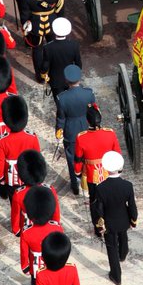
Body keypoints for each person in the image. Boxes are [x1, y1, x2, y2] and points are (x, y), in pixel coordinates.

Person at [92, 152, 138, 285]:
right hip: (123, 219)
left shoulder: (100, 188)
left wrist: (99, 224)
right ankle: (123, 255)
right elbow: (132, 206)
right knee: (123, 237)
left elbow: (98, 209)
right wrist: (133, 219)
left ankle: (116, 276)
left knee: (111, 248)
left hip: (109, 221)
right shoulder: (128, 185)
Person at [55, 65, 97, 194]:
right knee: (90, 157)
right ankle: (92, 182)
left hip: (71, 133)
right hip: (88, 128)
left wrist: (58, 131)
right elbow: (94, 112)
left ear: (66, 81)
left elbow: (61, 118)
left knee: (72, 160)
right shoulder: (88, 93)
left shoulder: (61, 98)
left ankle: (75, 186)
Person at [74, 106, 122, 208]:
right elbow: (117, 153)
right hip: (109, 172)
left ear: (88, 121)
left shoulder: (81, 137)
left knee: (94, 199)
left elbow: (78, 159)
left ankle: (98, 220)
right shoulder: (110, 133)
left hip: (92, 174)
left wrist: (78, 172)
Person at [19, 186, 62, 285]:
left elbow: (24, 252)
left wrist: (25, 267)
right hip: (53, 264)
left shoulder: (26, 232)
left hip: (35, 268)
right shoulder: (57, 228)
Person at [36, 17, 82, 100]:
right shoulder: (74, 45)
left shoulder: (48, 47)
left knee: (59, 103)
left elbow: (46, 65)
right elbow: (78, 64)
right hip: (70, 78)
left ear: (54, 30)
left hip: (55, 80)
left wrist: (43, 73)